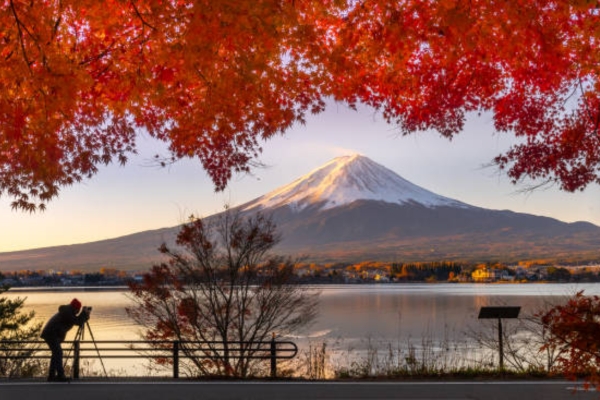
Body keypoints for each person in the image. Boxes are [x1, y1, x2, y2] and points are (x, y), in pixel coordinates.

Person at [41, 298, 90, 381]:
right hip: (51, 334)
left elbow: (77, 320)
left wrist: (84, 315)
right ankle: (60, 376)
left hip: (52, 334)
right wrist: (84, 314)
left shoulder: (68, 311)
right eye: (78, 309)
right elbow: (77, 321)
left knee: (56, 354)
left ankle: (51, 376)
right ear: (75, 308)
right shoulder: (67, 312)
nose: (78, 311)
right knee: (58, 353)